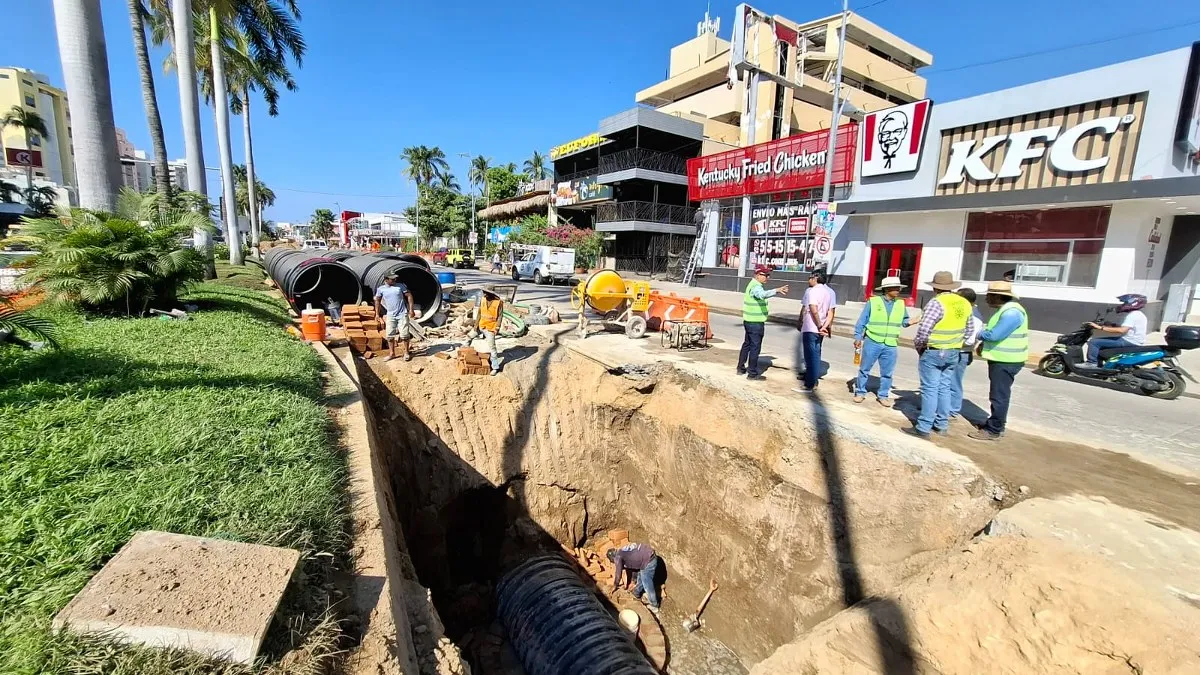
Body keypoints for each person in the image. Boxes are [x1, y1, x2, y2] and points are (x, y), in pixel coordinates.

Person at [903, 271, 975, 439]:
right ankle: (941, 424)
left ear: (935, 287)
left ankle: (924, 427)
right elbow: (970, 330)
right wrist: (955, 343)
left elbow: (924, 330)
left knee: (930, 388)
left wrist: (920, 347)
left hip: (935, 350)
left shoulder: (936, 303)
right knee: (944, 387)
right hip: (953, 351)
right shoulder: (964, 303)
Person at [969, 280, 1029, 442]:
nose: (987, 299)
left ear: (997, 296)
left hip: (1006, 361)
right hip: (1003, 359)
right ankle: (995, 423)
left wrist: (979, 334)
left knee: (999, 395)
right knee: (998, 394)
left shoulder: (1011, 313)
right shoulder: (1006, 310)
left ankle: (994, 429)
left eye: (989, 296)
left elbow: (995, 335)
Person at [852, 276, 911, 407]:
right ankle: (860, 392)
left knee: (887, 372)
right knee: (864, 369)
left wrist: (912, 321)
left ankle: (883, 395)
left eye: (899, 288)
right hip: (873, 340)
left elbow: (904, 321)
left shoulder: (900, 304)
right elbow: (862, 320)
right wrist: (858, 337)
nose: (898, 290)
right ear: (887, 289)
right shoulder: (873, 302)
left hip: (890, 343)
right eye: (896, 288)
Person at [738, 265, 789, 380]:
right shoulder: (756, 286)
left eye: (768, 275)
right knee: (755, 347)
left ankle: (740, 368)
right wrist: (776, 290)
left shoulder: (752, 284)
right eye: (765, 275)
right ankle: (752, 373)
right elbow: (761, 295)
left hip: (749, 320)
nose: (767, 277)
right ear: (757, 275)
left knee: (747, 345)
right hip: (755, 323)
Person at [948, 288, 985, 421]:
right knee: (948, 381)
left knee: (954, 382)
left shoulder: (974, 317)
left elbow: (969, 339)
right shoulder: (968, 312)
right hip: (958, 351)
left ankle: (952, 410)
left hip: (962, 352)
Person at [797, 269, 836, 392]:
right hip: (820, 329)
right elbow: (831, 312)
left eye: (810, 277)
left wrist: (819, 325)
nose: (809, 280)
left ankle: (810, 384)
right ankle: (812, 379)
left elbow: (813, 309)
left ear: (815, 278)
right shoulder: (828, 292)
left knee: (810, 356)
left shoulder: (813, 291)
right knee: (816, 354)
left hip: (811, 328)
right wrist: (826, 326)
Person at [1086, 294, 1148, 365]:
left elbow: (1122, 330)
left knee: (1094, 342)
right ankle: (1100, 366)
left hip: (1129, 341)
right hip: (1134, 341)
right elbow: (1128, 327)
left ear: (1133, 303)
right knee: (1101, 343)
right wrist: (1112, 325)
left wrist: (1100, 327)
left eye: (1125, 303)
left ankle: (1091, 363)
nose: (1123, 305)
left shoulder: (1133, 315)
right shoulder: (1139, 314)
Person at [607, 542, 662, 616]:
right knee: (641, 576)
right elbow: (634, 567)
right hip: (646, 555)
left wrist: (615, 585)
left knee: (647, 584)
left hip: (649, 560)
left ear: (612, 558)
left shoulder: (618, 557)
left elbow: (618, 574)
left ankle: (654, 606)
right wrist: (633, 580)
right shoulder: (622, 552)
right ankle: (636, 593)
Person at [374, 273, 417, 362]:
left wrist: (411, 310)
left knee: (404, 335)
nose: (394, 280)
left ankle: (406, 353)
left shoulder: (400, 286)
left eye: (395, 279)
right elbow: (377, 301)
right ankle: (392, 354)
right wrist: (377, 314)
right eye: (392, 279)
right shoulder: (381, 289)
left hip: (402, 314)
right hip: (390, 315)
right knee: (389, 336)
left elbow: (409, 296)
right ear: (386, 280)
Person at [472, 286, 504, 376]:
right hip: (481, 325)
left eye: (486, 292)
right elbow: (479, 313)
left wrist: (497, 328)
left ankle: (495, 367)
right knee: (469, 337)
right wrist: (476, 325)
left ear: (491, 293)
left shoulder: (498, 303)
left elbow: (500, 316)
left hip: (491, 328)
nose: (484, 294)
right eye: (483, 292)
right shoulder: (483, 300)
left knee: (492, 348)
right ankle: (464, 353)